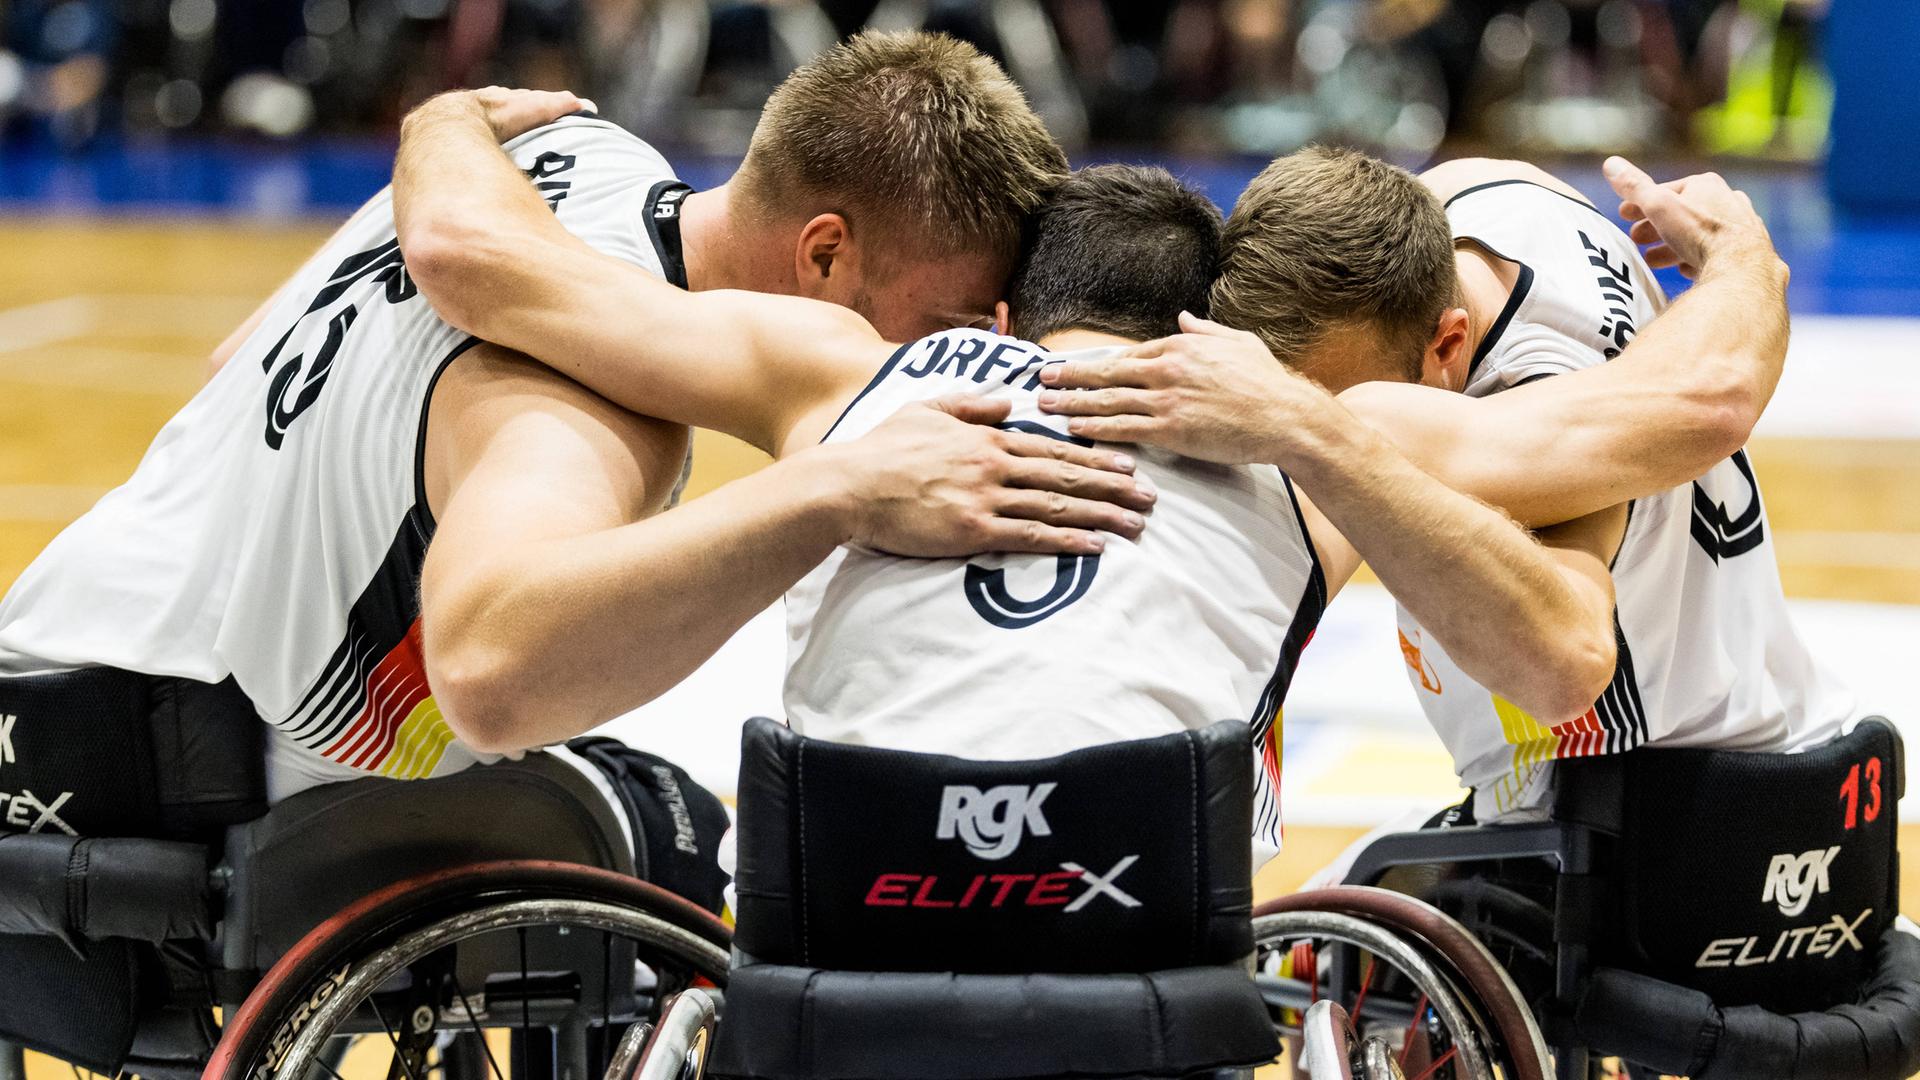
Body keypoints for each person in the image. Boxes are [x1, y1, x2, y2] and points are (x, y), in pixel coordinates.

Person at [0, 32, 1144, 877]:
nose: (947, 362)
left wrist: (439, 117)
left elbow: (231, 361)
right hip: (181, 794)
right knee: (694, 852)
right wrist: (831, 493)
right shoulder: (599, 408)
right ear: (828, 254)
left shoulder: (547, 148)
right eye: (942, 322)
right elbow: (494, 679)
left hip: (42, 683)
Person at [387, 95, 1620, 863]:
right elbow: (1583, 629)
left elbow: (478, 261)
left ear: (1003, 312)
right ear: (1213, 326)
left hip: (838, 945)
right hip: (1138, 959)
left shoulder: (840, 368)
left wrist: (445, 117)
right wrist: (1728, 274)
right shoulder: (1327, 446)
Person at [1039, 148, 1859, 824]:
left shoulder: (1531, 403)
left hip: (1672, 813)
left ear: (1448, 344)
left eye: (1345, 398)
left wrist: (1747, 253)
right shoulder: (1480, 197)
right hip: (1761, 749)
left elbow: (1570, 657)